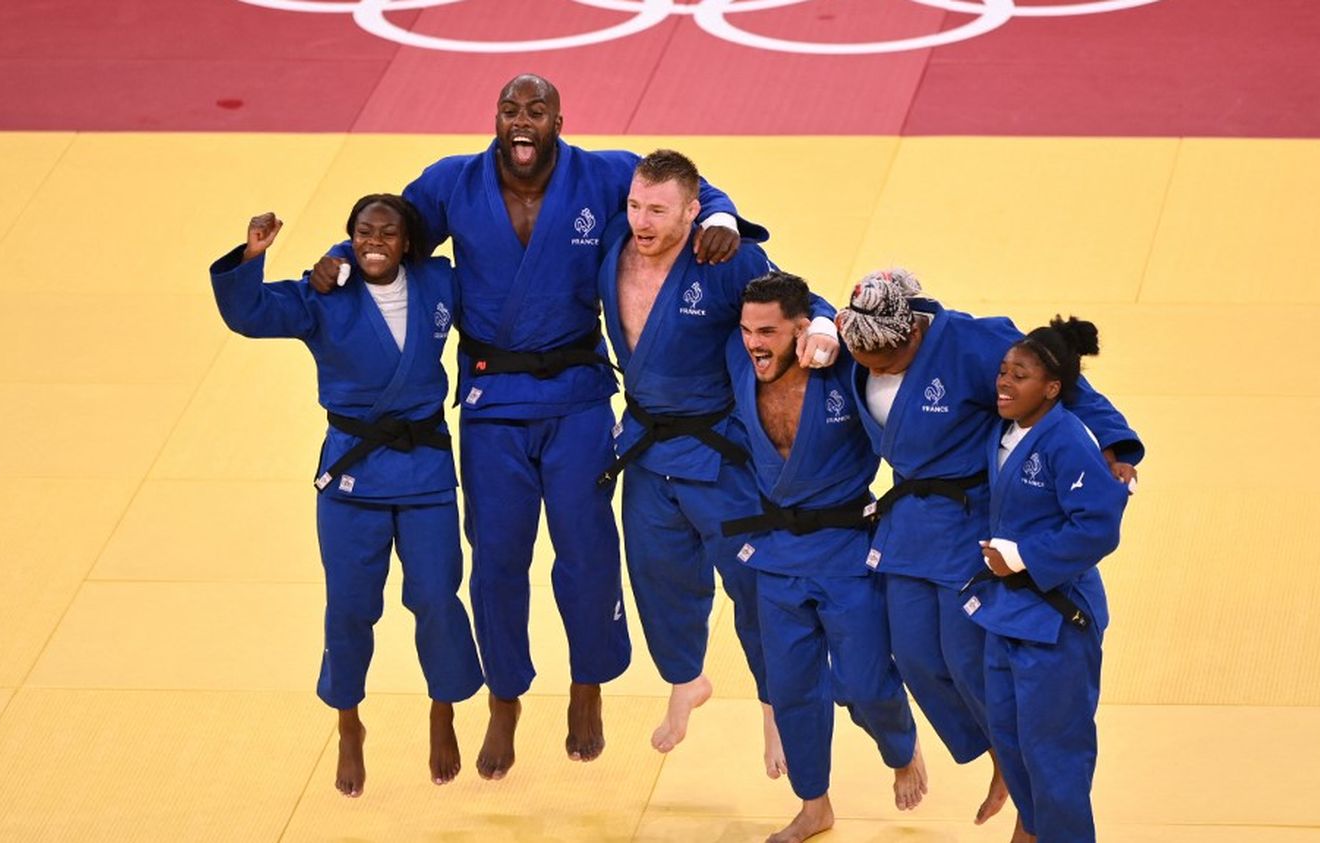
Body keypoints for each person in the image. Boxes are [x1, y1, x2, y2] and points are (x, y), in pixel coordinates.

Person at [308, 75, 756, 779]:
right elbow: (384, 227)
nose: (521, 122)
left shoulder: (601, 172)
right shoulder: (453, 182)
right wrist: (340, 253)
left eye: (535, 110)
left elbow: (694, 190)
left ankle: (588, 684)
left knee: (586, 547)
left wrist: (724, 220)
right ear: (496, 118)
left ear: (558, 119)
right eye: (509, 110)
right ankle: (505, 696)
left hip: (578, 395)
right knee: (496, 559)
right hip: (492, 401)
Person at [836, 268, 1142, 836]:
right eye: (858, 350)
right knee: (917, 659)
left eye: (882, 357)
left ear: (913, 334)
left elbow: (1063, 378)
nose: (869, 365)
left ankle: (1022, 783)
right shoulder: (853, 339)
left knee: (964, 657)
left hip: (968, 518)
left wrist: (1117, 444)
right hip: (908, 519)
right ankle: (1000, 755)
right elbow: (787, 305)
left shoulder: (973, 343)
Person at [209, 196, 483, 797]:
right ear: (350, 238)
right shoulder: (322, 296)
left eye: (388, 232)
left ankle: (443, 709)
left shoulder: (439, 282)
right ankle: (349, 723)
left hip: (425, 468)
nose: (375, 241)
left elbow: (492, 307)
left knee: (438, 595)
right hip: (352, 473)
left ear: (410, 242)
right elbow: (249, 313)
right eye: (362, 233)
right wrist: (255, 255)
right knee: (351, 606)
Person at [596, 149, 841, 771]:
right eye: (634, 205)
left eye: (658, 209)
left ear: (693, 210)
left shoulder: (725, 257)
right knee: (656, 576)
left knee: (756, 589)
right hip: (648, 449)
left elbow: (803, 299)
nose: (643, 221)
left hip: (721, 454)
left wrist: (822, 328)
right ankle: (685, 680)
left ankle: (773, 706)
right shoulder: (610, 249)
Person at [725, 271, 926, 843]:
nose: (755, 342)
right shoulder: (739, 358)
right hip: (777, 555)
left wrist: (823, 318)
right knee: (791, 689)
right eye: (746, 330)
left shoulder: (846, 364)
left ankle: (900, 747)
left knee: (863, 683)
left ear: (802, 328)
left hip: (846, 548)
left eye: (768, 330)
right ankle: (815, 806)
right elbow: (738, 264)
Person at [967, 316, 1130, 843]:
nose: (1004, 383)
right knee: (1012, 742)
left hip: (1057, 618)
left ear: (1053, 389)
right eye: (1003, 372)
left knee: (1054, 752)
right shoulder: (1004, 428)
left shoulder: (1068, 441)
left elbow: (1099, 525)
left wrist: (1024, 556)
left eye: (1021, 376)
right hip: (1005, 615)